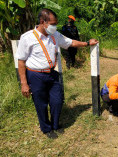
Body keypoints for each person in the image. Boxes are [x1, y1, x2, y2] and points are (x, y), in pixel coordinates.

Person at [16, 8, 98, 139]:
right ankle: (46, 129)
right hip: (35, 75)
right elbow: (21, 62)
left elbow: (70, 42)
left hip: (52, 73)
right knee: (41, 103)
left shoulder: (55, 35)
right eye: (53, 24)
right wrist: (24, 83)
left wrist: (87, 43)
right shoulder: (27, 38)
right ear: (43, 22)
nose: (55, 26)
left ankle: (55, 125)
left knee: (57, 100)